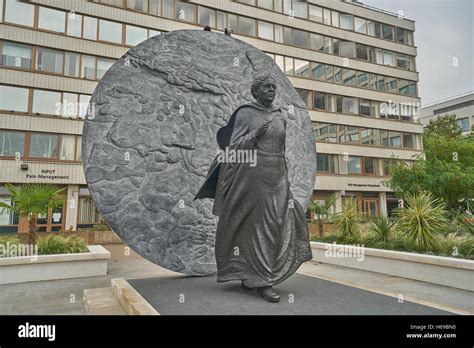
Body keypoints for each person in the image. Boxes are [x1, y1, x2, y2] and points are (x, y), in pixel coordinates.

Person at [194, 75, 312, 302]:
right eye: (267, 87)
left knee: (277, 223)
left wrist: (285, 177)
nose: (272, 90)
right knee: (257, 224)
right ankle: (262, 280)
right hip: (252, 173)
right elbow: (235, 146)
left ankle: (253, 273)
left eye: (274, 87)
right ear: (256, 92)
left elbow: (282, 150)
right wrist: (255, 134)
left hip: (277, 174)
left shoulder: (280, 116)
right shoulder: (245, 113)